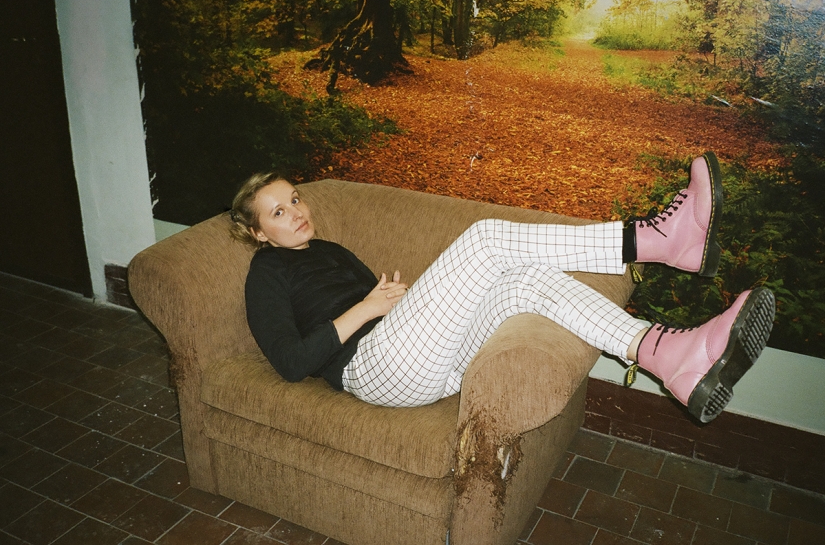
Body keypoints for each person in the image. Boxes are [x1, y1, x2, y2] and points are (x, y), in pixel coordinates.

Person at [229, 152, 775, 423]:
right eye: (279, 211)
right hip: (368, 371)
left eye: (296, 198)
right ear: (258, 233)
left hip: (421, 362)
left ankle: (669, 355)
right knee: (486, 239)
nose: (297, 212)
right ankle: (658, 239)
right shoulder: (266, 275)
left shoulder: (326, 250)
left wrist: (404, 300)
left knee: (523, 280)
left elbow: (391, 310)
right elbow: (291, 362)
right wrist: (367, 308)